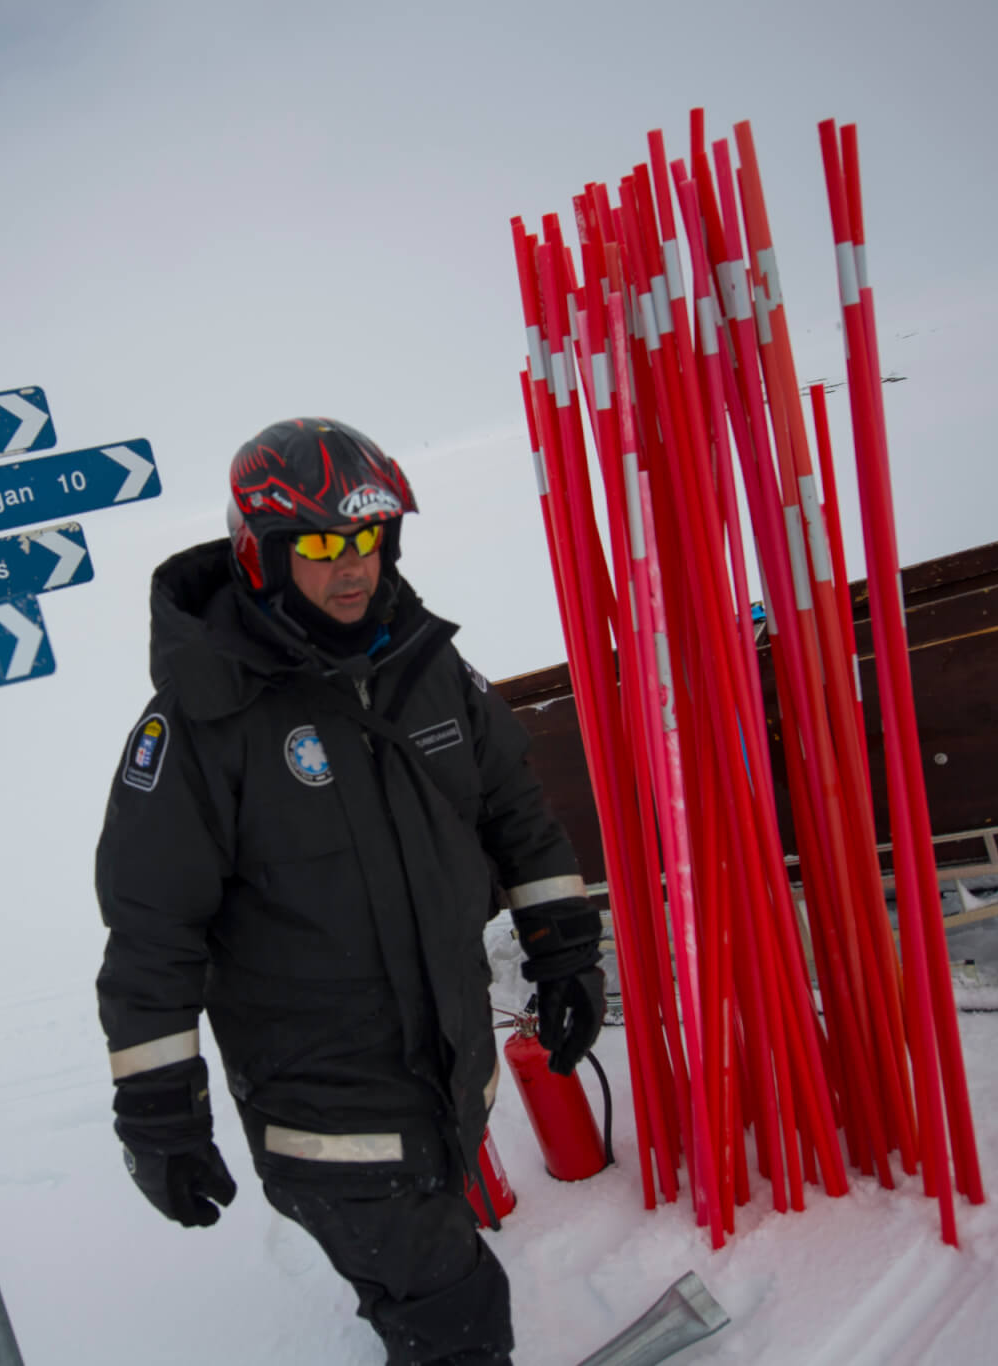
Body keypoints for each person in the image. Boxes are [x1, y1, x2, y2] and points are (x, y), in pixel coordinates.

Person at [94, 418, 607, 1365]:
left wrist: (566, 952)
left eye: (367, 539)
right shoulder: (201, 728)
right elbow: (151, 931)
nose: (353, 567)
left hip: (447, 1072)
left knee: (429, 1278)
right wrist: (159, 1112)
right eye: (323, 545)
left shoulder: (429, 669)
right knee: (454, 1313)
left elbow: (518, 816)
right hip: (331, 1114)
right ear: (262, 552)